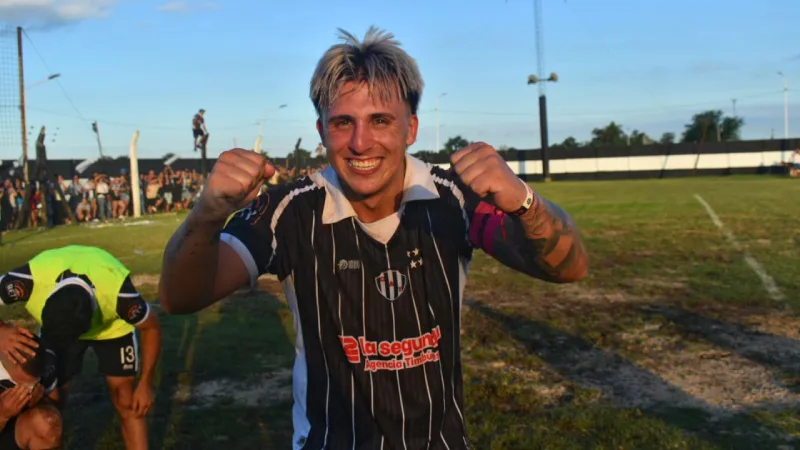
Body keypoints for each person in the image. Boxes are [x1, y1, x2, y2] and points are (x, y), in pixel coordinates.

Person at [159, 26, 588, 450]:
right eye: (343, 123)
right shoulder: (289, 211)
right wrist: (206, 215)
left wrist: (525, 202)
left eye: (380, 120)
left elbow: (570, 269)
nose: (361, 143)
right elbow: (180, 298)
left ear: (411, 128)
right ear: (322, 129)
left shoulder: (454, 198)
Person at [0, 245, 162, 450]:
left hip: (111, 329)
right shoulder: (31, 278)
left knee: (127, 401)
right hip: (57, 328)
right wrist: (1, 329)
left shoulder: (118, 294)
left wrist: (146, 382)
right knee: (52, 400)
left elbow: (151, 327)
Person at [0, 334, 61, 450]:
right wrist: (2, 414)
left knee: (47, 422)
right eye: (25, 383)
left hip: (19, 429)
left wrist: (41, 401)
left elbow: (56, 407)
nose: (30, 387)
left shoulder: (44, 360)